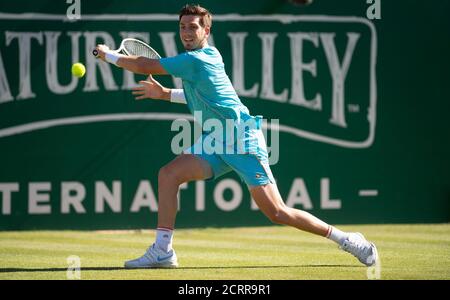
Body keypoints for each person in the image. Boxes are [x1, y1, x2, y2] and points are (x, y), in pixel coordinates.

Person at [95, 4, 378, 269]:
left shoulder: (199, 59)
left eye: (193, 27)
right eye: (183, 27)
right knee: (168, 175)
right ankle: (163, 251)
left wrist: (106, 54)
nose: (187, 32)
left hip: (241, 138)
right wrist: (165, 94)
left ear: (206, 31)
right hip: (217, 138)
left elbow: (144, 67)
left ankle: (347, 239)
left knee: (277, 212)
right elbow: (203, 98)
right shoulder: (199, 60)